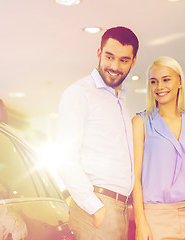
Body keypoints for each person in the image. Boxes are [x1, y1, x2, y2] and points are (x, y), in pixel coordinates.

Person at [56, 26, 139, 240]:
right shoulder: (79, 93)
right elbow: (65, 159)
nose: (115, 66)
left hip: (120, 209)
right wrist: (96, 208)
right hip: (96, 207)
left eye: (123, 60)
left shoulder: (120, 100)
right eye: (109, 57)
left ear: (133, 61)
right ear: (99, 53)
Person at [132, 56, 185, 240]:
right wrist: (140, 221)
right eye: (154, 81)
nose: (160, 87)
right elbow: (135, 177)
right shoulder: (141, 122)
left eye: (166, 79)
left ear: (180, 82)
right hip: (156, 217)